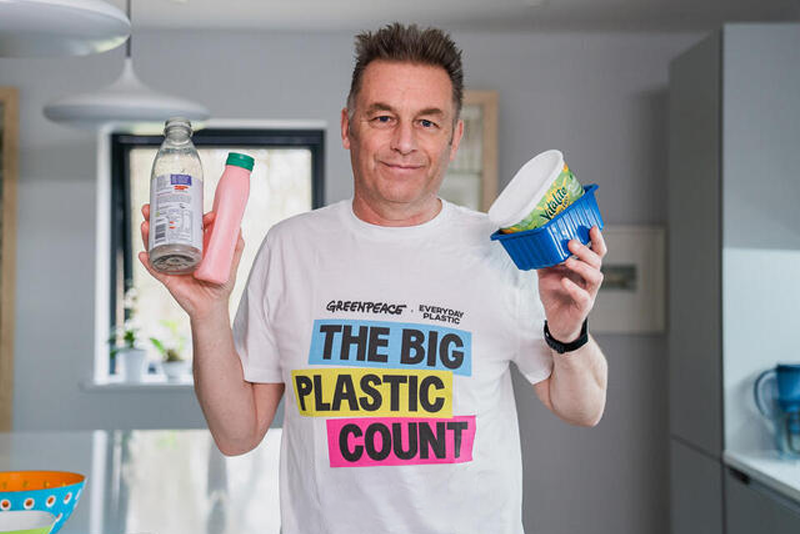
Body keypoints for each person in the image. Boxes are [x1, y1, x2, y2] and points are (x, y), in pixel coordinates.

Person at [139, 22, 608, 534]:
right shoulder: (289, 248)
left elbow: (583, 408)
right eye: (383, 117)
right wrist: (208, 315)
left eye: (427, 123)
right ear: (348, 127)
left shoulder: (500, 251)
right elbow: (236, 434)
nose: (404, 143)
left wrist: (569, 333)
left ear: (455, 139)